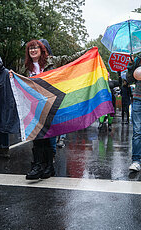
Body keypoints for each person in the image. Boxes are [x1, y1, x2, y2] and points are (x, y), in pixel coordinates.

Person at [24, 39, 87, 180]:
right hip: (34, 106)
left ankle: (47, 166)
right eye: (30, 49)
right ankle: (39, 165)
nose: (33, 51)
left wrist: (88, 50)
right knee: (36, 135)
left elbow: (70, 58)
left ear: (41, 50)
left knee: (46, 135)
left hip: (50, 103)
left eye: (36, 48)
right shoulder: (26, 67)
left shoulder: (52, 62)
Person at [127, 54, 141, 171]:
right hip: (138, 100)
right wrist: (131, 64)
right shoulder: (137, 59)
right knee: (137, 131)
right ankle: (136, 161)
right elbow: (130, 79)